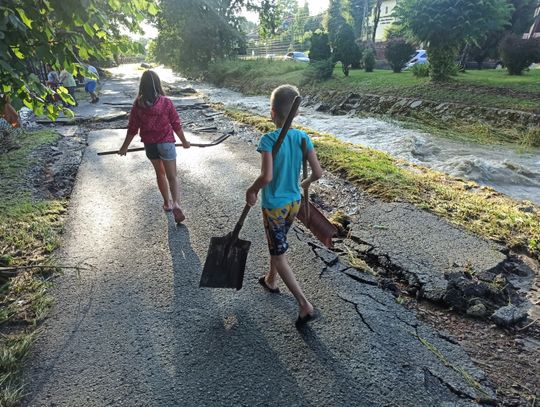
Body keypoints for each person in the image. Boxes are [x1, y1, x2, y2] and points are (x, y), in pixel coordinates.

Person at [245, 84, 323, 327]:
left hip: (274, 206)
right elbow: (318, 173)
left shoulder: (268, 140)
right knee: (276, 245)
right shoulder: (302, 138)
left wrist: (252, 190)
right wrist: (305, 181)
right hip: (294, 204)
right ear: (296, 114)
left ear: (272, 113)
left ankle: (304, 305)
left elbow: (266, 177)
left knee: (279, 255)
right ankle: (271, 280)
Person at [118, 70, 191, 223]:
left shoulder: (138, 104)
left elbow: (132, 128)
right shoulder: (166, 102)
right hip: (166, 143)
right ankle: (176, 203)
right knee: (172, 176)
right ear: (157, 84)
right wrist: (184, 141)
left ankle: (167, 203)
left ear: (142, 86)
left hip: (150, 145)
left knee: (160, 174)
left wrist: (124, 147)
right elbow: (176, 124)